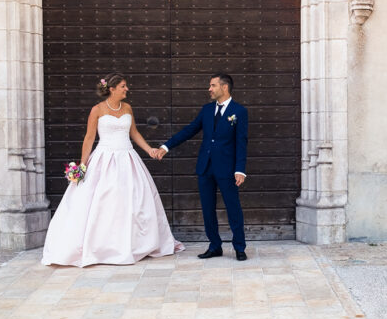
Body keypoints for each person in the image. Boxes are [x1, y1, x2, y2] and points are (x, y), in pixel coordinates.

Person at [42, 73, 182, 267]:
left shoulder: (127, 108)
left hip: (128, 158)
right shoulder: (97, 110)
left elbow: (133, 132)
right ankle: (103, 247)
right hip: (104, 159)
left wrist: (149, 149)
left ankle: (133, 244)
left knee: (133, 200)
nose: (127, 89)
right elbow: (89, 138)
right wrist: (83, 165)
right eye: (123, 86)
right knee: (104, 201)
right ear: (112, 88)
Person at [153, 73, 249, 261]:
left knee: (233, 208)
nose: (209, 89)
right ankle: (215, 246)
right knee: (207, 208)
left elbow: (241, 142)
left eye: (213, 85)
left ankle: (239, 247)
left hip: (228, 169)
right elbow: (189, 130)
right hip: (205, 167)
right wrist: (166, 146)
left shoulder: (239, 111)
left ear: (224, 87)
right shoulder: (206, 110)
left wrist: (240, 169)